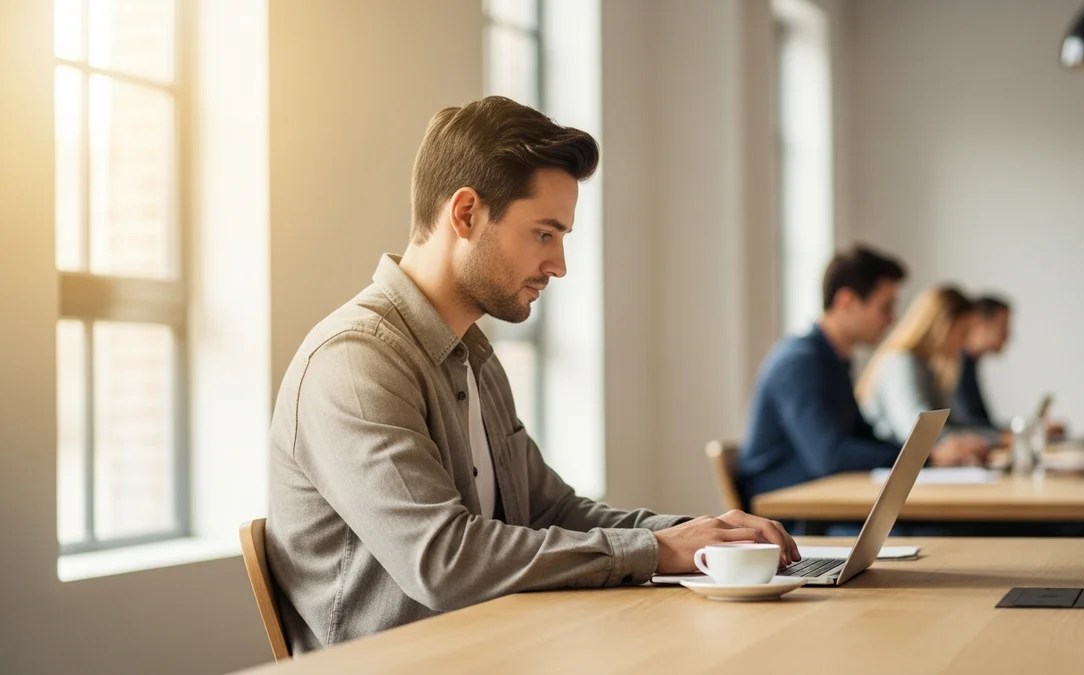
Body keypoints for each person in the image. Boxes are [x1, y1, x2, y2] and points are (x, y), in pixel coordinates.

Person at [265, 96, 799, 653]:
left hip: (494, 649)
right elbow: (444, 561)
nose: (558, 265)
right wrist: (658, 551)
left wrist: (705, 536)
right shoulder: (356, 361)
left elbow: (551, 512)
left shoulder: (472, 357)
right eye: (544, 234)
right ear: (466, 214)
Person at [737, 247, 990, 510]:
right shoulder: (799, 363)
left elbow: (864, 436)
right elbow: (831, 456)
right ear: (846, 301)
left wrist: (926, 455)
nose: (891, 320)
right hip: (790, 514)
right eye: (885, 307)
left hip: (824, 501)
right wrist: (928, 457)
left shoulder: (834, 361)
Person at [856, 285, 997, 451]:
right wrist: (990, 440)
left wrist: (994, 438)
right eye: (963, 332)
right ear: (943, 327)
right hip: (889, 463)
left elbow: (951, 425)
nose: (964, 343)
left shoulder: (927, 367)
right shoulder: (902, 361)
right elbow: (917, 434)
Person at [951, 295, 1010, 430]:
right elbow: (970, 424)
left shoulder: (971, 364)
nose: (1008, 335)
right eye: (1003, 326)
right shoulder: (957, 364)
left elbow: (983, 423)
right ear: (979, 324)